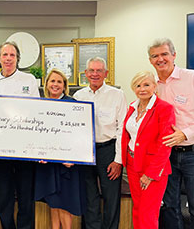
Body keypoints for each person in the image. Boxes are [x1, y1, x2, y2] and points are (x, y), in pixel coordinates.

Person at [0, 41, 40, 229]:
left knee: (26, 194)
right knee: (4, 194)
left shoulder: (29, 80)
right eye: (5, 55)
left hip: (24, 147)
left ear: (17, 59)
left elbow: (36, 111)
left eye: (12, 55)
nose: (8, 58)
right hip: (0, 147)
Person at [73, 57, 127, 229]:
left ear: (106, 74)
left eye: (99, 71)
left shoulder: (117, 95)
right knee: (90, 196)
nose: (95, 74)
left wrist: (118, 160)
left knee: (111, 196)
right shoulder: (78, 96)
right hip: (86, 151)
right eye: (91, 71)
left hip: (108, 150)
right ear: (86, 74)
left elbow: (122, 129)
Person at [148, 38, 194, 229]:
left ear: (174, 55)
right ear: (150, 60)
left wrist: (185, 134)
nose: (160, 59)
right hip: (165, 156)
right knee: (170, 207)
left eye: (164, 54)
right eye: (155, 56)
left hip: (191, 152)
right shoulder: (150, 86)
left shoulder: (191, 78)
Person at [121, 71, 175, 229]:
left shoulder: (164, 108)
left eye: (146, 85)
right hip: (132, 165)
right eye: (138, 85)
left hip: (152, 169)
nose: (142, 89)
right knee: (137, 209)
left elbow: (165, 144)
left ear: (154, 86)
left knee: (148, 213)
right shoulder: (132, 107)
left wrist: (151, 174)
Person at [35, 69, 86, 229]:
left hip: (67, 164)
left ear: (64, 85)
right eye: (52, 81)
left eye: (59, 82)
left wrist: (73, 158)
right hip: (48, 163)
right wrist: (38, 153)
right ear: (47, 84)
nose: (55, 84)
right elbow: (36, 132)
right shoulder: (41, 105)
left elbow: (80, 134)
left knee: (65, 202)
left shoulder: (74, 105)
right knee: (53, 201)